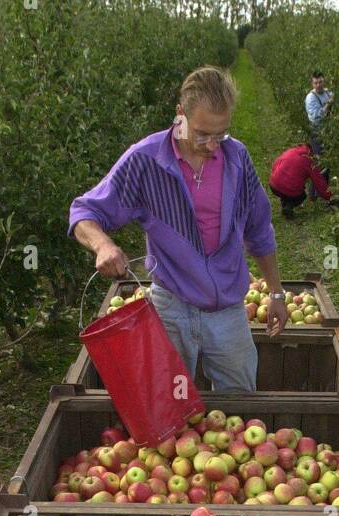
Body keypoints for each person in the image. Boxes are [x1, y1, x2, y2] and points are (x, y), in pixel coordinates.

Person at [68, 66, 288, 392]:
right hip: (171, 308)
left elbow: (259, 229)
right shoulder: (146, 161)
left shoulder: (236, 158)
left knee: (241, 408)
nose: (213, 144)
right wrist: (102, 245)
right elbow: (84, 211)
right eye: (202, 133)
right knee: (169, 410)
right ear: (180, 115)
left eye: (221, 133)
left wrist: (277, 292)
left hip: (228, 310)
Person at [269, 142, 331, 219]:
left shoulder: (291, 151)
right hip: (290, 189)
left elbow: (275, 164)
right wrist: (331, 197)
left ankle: (286, 205)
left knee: (286, 189)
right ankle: (289, 205)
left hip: (274, 185)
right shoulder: (310, 160)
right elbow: (319, 183)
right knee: (302, 196)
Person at [305, 72, 333, 162]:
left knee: (331, 157)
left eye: (320, 82)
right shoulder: (310, 98)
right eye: (315, 83)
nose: (318, 85)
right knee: (321, 160)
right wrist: (328, 104)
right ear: (312, 84)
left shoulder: (328, 92)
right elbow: (316, 117)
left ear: (324, 82)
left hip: (329, 130)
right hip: (318, 132)